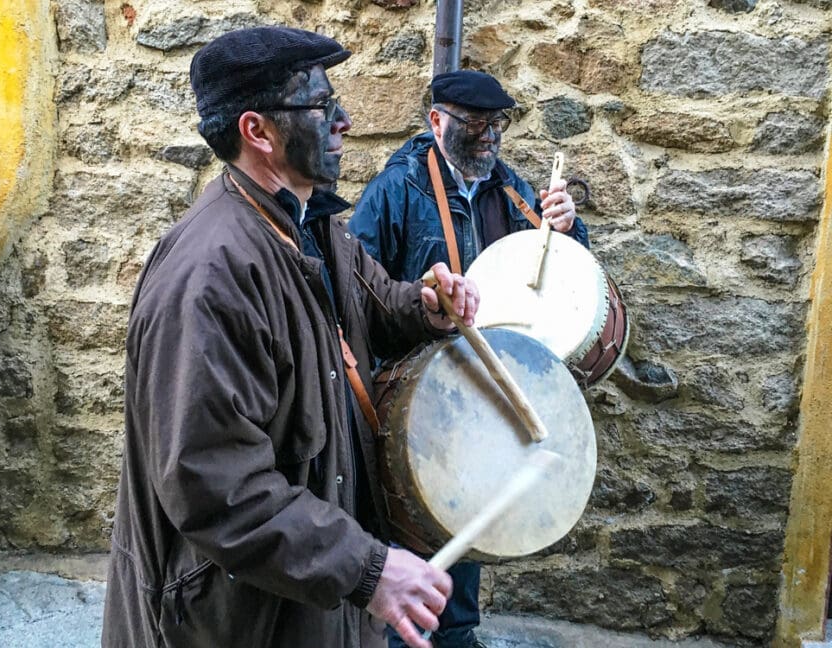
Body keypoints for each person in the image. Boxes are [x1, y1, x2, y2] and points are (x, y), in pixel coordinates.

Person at [101, 27, 481, 648]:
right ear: (259, 132)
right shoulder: (210, 275)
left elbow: (368, 301)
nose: (345, 121)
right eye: (322, 106)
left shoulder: (311, 224)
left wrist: (426, 305)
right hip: (233, 618)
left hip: (303, 601)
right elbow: (215, 484)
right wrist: (368, 570)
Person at [349, 69, 589, 648]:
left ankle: (454, 635)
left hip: (488, 385)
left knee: (469, 510)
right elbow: (358, 288)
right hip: (415, 396)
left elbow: (563, 281)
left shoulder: (514, 190)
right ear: (437, 122)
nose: (489, 136)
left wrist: (568, 229)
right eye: (475, 124)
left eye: (497, 124)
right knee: (415, 520)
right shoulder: (396, 190)